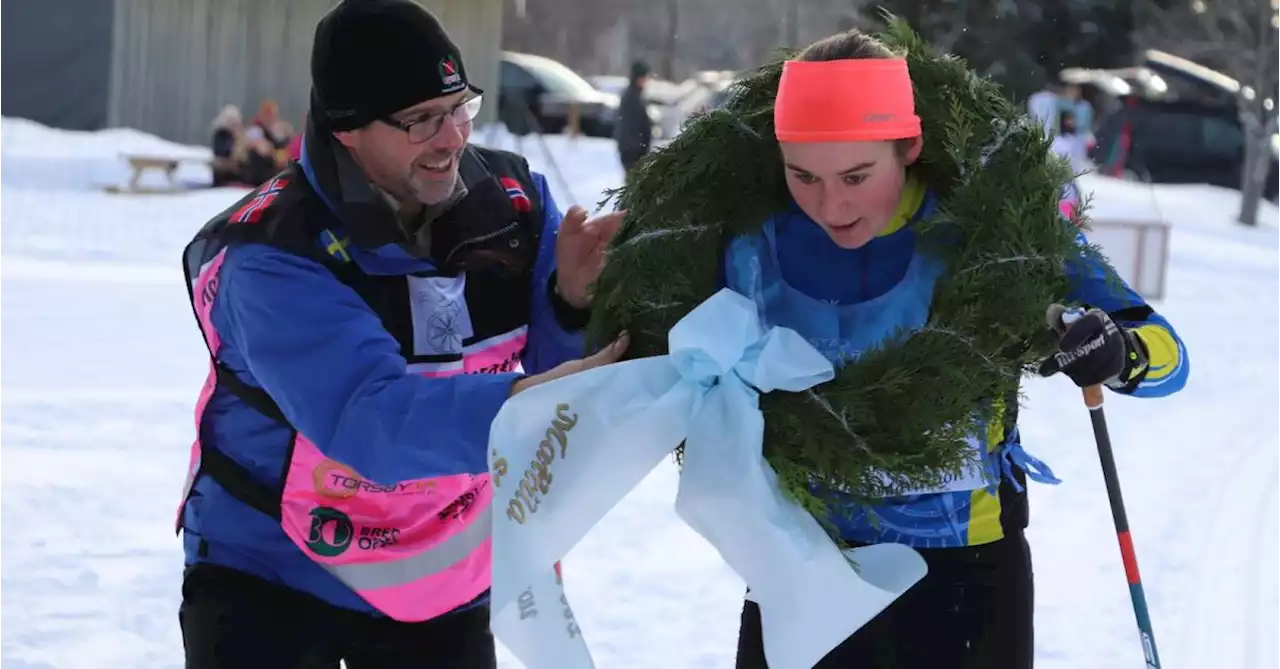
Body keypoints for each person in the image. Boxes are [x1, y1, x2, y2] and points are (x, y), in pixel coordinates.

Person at [173, 1, 626, 667]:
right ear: (348, 130)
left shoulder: (514, 201)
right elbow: (371, 421)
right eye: (420, 121)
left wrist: (571, 303)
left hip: (443, 574)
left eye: (460, 108)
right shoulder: (273, 256)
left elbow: (549, 372)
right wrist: (528, 401)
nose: (451, 138)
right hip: (275, 572)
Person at [723, 29, 1190, 669]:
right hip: (805, 558)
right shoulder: (754, 242)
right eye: (803, 175)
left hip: (962, 572)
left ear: (909, 147)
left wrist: (1118, 352)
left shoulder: (993, 230)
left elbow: (1169, 357)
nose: (830, 204)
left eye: (857, 175)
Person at [614, 59, 655, 177]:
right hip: (633, 151)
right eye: (644, 78)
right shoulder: (631, 97)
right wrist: (639, 147)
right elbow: (632, 125)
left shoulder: (636, 95)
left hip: (635, 150)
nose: (646, 81)